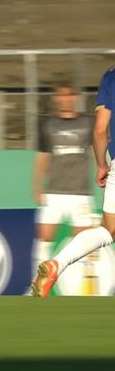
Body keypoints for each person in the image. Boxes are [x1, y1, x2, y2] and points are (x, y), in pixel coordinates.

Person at [33, 69, 115, 298]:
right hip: (57, 191)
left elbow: (100, 131)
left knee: (107, 230)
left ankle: (56, 265)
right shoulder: (49, 125)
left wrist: (102, 165)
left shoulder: (110, 77)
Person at [30, 84, 94, 289]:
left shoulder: (88, 123)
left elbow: (98, 148)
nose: (66, 99)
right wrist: (37, 185)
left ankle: (83, 292)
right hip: (54, 192)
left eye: (70, 95)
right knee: (44, 241)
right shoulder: (47, 125)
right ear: (57, 99)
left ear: (75, 98)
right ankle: (38, 287)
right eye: (62, 96)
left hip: (81, 193)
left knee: (83, 245)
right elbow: (42, 156)